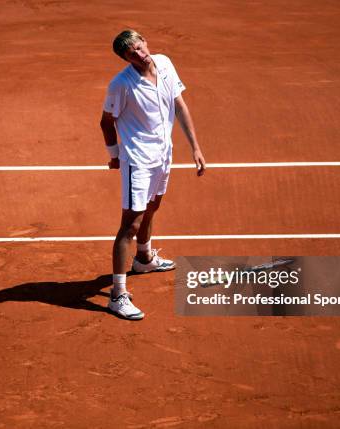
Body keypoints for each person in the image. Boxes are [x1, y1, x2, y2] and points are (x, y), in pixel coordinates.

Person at [100, 29, 206, 320]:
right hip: (138, 159)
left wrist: (195, 147)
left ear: (145, 41)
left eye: (139, 46)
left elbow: (179, 105)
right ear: (125, 59)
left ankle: (144, 258)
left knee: (153, 206)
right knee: (130, 225)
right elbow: (106, 122)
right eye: (130, 53)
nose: (139, 53)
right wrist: (114, 156)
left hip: (163, 154)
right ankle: (117, 295)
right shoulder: (120, 85)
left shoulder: (166, 63)